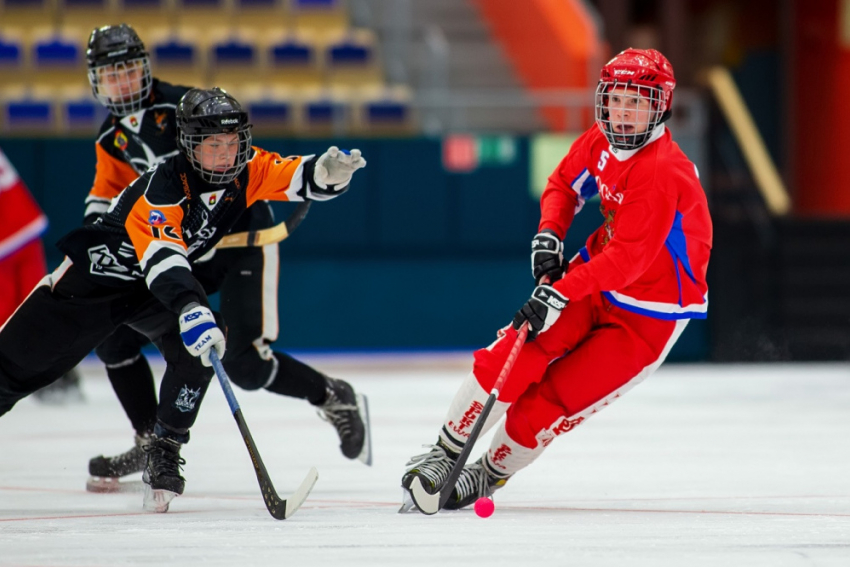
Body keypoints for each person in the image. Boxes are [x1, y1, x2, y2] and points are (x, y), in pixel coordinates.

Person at [0, 85, 367, 513]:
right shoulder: (163, 189)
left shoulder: (245, 169)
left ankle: (165, 447)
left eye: (233, 144)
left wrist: (324, 175)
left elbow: (291, 174)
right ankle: (148, 434)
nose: (226, 155)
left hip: (145, 291)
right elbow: (164, 259)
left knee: (205, 345)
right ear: (190, 146)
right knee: (9, 373)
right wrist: (192, 307)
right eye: (214, 145)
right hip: (92, 286)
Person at [400, 48, 712, 512]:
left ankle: (486, 475)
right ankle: (445, 455)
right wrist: (549, 233)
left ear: (661, 106)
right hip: (594, 278)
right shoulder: (601, 141)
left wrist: (559, 291)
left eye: (637, 102)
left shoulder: (661, 171)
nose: (622, 113)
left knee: (554, 401)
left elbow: (629, 261)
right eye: (616, 100)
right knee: (515, 350)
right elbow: (565, 185)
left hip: (648, 318)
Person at [77, 25, 371, 494]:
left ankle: (333, 396)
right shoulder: (111, 139)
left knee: (245, 365)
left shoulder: (185, 109)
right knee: (113, 333)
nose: (123, 83)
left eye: (130, 70)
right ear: (95, 82)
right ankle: (152, 438)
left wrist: (320, 175)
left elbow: (260, 165)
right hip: (180, 248)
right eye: (111, 75)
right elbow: (105, 199)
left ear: (146, 68)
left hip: (240, 240)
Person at [0, 147, 84, 404]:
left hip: (9, 237)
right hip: (26, 228)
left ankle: (48, 375)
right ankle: (59, 373)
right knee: (37, 307)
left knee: (12, 316)